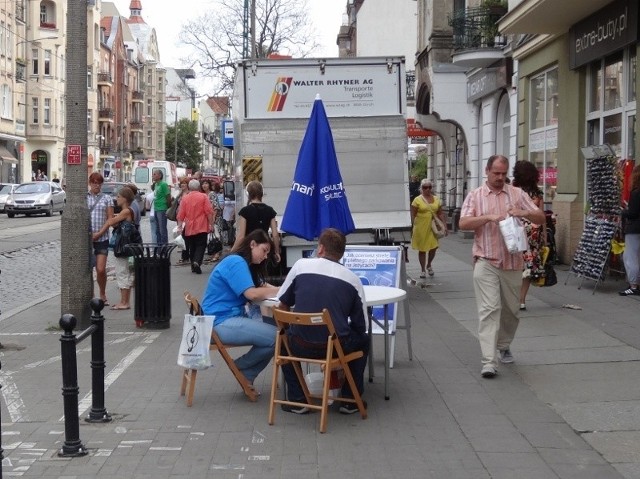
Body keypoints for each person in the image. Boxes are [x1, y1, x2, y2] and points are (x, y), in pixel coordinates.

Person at [459, 155, 545, 378]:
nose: (499, 177)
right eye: (496, 173)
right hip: (485, 260)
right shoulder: (476, 196)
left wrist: (524, 212)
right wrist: (487, 217)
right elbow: (463, 223)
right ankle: (489, 361)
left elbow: (541, 217)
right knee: (489, 310)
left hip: (513, 262)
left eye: (503, 173)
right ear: (487, 171)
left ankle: (504, 344)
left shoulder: (517, 194)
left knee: (511, 311)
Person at [277, 228, 369, 415]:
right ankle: (350, 400)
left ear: (320, 249)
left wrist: (290, 328)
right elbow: (362, 326)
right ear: (342, 253)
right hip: (335, 348)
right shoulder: (353, 280)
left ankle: (297, 399)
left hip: (300, 344)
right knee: (363, 340)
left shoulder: (301, 266)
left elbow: (282, 306)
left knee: (282, 341)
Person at [201, 229, 280, 388]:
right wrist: (280, 290)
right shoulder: (236, 262)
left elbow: (261, 286)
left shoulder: (239, 262)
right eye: (264, 251)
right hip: (219, 323)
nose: (265, 257)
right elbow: (252, 294)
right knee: (278, 337)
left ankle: (247, 374)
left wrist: (280, 288)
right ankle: (240, 367)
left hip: (218, 320)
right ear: (252, 244)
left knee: (278, 333)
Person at [92, 187, 137, 310]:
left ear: (125, 199)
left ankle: (124, 302)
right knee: (125, 273)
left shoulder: (126, 211)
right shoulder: (128, 210)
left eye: (118, 197)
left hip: (123, 247)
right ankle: (124, 301)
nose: (116, 199)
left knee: (122, 273)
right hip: (127, 246)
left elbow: (112, 221)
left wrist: (109, 214)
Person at [512, 160, 546, 310]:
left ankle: (512, 296)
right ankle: (522, 300)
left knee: (515, 264)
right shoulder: (537, 193)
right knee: (528, 266)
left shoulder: (513, 190)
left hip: (517, 230)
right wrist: (544, 234)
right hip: (534, 232)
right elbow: (542, 215)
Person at [232, 180, 281, 264]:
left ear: (248, 194)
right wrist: (276, 251)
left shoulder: (245, 211)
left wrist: (232, 251)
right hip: (264, 248)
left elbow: (241, 236)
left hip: (249, 248)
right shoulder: (270, 210)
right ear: (262, 193)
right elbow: (275, 235)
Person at [411, 179, 447, 278]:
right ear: (421, 188)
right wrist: (413, 228)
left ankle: (429, 264)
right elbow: (413, 215)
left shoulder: (436, 199)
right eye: (425, 187)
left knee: (434, 247)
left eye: (429, 187)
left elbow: (440, 213)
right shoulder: (417, 200)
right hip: (421, 226)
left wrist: (444, 225)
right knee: (422, 249)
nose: (427, 189)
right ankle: (423, 270)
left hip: (433, 226)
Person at [176, 179, 214, 274]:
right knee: (201, 245)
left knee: (192, 246)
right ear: (198, 187)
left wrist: (180, 227)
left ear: (189, 187)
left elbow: (181, 214)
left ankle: (193, 264)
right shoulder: (204, 197)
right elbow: (209, 212)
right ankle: (197, 261)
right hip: (201, 225)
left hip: (189, 226)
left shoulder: (185, 198)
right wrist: (211, 224)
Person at [87, 172, 114, 305]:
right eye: (94, 183)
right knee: (87, 270)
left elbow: (110, 218)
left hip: (102, 239)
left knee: (101, 269)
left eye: (99, 183)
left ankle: (102, 293)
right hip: (87, 240)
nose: (96, 185)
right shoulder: (84, 198)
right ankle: (91, 294)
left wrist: (99, 233)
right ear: (90, 183)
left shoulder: (106, 198)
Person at [620, 164, 640, 296]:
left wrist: (623, 212)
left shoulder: (636, 192)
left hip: (635, 228)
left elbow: (633, 213)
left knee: (630, 257)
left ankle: (633, 286)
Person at [174, 177, 191, 265]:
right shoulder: (180, 194)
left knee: (186, 237)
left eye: (184, 183)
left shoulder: (189, 194)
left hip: (186, 218)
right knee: (182, 236)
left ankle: (185, 257)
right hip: (180, 218)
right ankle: (185, 256)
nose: (183, 185)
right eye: (181, 183)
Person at [152, 169, 172, 245]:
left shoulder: (163, 184)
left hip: (162, 209)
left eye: (154, 174)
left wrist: (168, 208)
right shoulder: (156, 184)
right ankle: (159, 247)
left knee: (162, 230)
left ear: (160, 176)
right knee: (157, 230)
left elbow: (168, 196)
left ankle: (164, 247)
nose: (153, 176)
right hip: (156, 208)